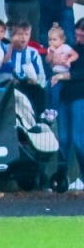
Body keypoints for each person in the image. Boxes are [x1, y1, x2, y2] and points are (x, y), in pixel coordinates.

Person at [52, 17, 84, 189]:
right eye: (78, 32)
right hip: (66, 96)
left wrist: (65, 76)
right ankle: (60, 179)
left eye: (82, 33)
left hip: (81, 97)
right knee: (63, 138)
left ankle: (83, 176)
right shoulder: (71, 48)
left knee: (79, 140)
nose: (79, 36)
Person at [45, 23, 77, 119]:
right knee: (47, 89)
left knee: (55, 90)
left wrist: (68, 61)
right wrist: (51, 53)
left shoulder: (65, 48)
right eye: (50, 39)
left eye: (54, 39)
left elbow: (75, 55)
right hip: (54, 72)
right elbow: (47, 60)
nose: (51, 42)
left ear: (62, 40)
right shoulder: (50, 49)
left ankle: (54, 110)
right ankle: (47, 109)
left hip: (63, 74)